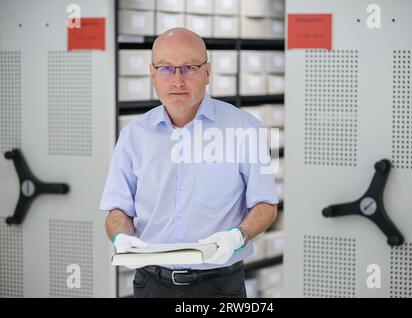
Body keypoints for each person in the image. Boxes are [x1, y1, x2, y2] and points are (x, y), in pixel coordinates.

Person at [100, 28, 278, 298]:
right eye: (166, 69)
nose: (177, 80)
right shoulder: (133, 135)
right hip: (150, 284)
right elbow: (117, 209)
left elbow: (266, 204)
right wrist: (120, 237)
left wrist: (238, 236)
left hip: (219, 286)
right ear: (152, 74)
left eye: (189, 68)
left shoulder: (245, 129)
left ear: (208, 72)